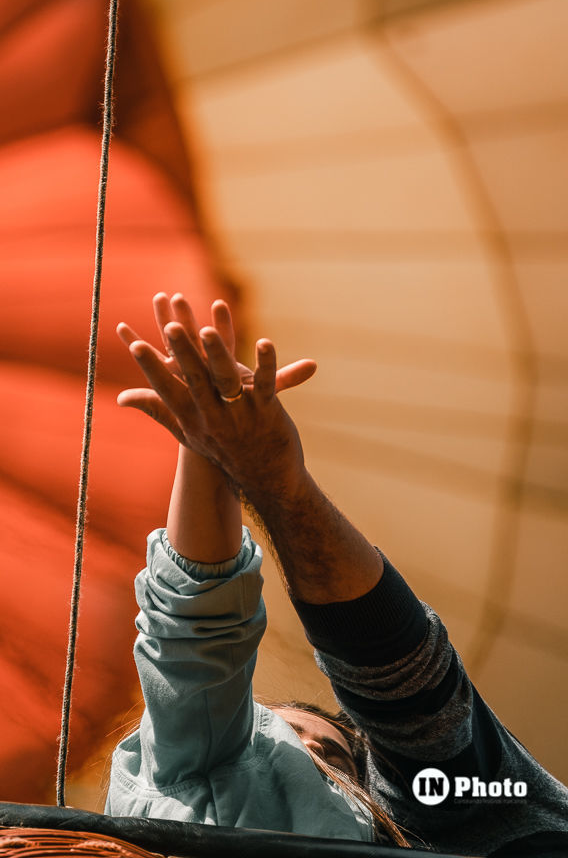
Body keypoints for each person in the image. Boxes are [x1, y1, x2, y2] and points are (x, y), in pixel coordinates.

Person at [107, 294, 568, 856]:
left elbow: (404, 688)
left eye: (330, 755)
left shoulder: (457, 800)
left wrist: (261, 472)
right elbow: (194, 662)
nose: (303, 753)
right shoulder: (191, 766)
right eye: (268, 739)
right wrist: (235, 459)